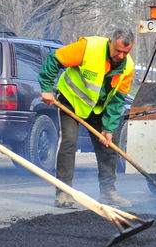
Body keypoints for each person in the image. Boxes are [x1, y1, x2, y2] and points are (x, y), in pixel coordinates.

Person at [39, 30, 135, 208]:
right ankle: (63, 192)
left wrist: (108, 128)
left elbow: (117, 100)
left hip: (98, 108)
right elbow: (55, 59)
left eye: (125, 53)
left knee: (108, 144)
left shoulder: (127, 67)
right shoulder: (88, 48)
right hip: (71, 102)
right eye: (118, 50)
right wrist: (46, 88)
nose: (120, 56)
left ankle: (108, 192)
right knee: (69, 141)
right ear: (110, 42)